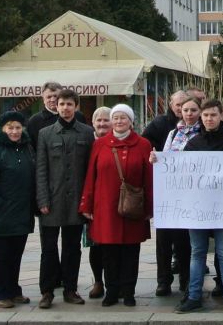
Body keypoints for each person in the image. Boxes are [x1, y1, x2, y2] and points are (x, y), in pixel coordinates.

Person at [174, 99, 223, 315]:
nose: (209, 119)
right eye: (206, 115)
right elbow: (180, 171)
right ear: (201, 117)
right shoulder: (193, 143)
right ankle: (194, 297)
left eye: (213, 115)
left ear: (221, 116)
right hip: (198, 207)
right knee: (197, 252)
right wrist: (158, 162)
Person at [79, 104, 153, 308]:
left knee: (131, 252)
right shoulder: (100, 144)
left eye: (123, 117)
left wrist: (149, 208)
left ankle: (128, 292)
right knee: (108, 252)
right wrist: (87, 204)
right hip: (105, 207)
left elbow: (149, 179)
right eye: (116, 118)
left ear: (131, 121)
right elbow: (91, 176)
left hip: (133, 207)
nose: (119, 121)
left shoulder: (143, 144)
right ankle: (111, 291)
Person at [35, 88, 94, 308]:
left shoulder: (86, 133)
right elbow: (41, 169)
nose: (65, 108)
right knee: (48, 249)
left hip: (76, 202)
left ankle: (70, 289)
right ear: (56, 106)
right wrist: (42, 200)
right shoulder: (45, 133)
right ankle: (47, 291)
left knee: (72, 248)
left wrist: (87, 202)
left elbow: (90, 170)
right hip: (52, 201)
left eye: (69, 104)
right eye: (61, 104)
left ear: (76, 106)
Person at [0, 110, 36, 309]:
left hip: (21, 214)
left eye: (18, 127)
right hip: (1, 216)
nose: (14, 131)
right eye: (10, 128)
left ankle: (13, 290)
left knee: (15, 256)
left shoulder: (26, 148)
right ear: (2, 129)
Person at [150, 96, 201, 296]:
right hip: (170, 193)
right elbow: (165, 157)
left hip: (192, 194)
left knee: (185, 241)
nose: (188, 113)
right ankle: (163, 280)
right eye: (185, 110)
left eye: (193, 110)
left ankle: (186, 280)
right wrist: (156, 159)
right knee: (163, 240)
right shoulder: (173, 133)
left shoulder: (202, 133)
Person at [85, 106, 111, 300]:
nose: (102, 124)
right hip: (91, 199)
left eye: (106, 120)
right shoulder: (86, 141)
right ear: (93, 123)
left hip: (111, 200)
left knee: (112, 244)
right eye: (98, 120)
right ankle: (98, 281)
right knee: (95, 244)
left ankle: (114, 282)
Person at [27, 81, 86, 151]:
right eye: (49, 97)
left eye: (55, 96)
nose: (52, 100)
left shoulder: (78, 116)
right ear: (43, 99)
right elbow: (32, 149)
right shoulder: (34, 121)